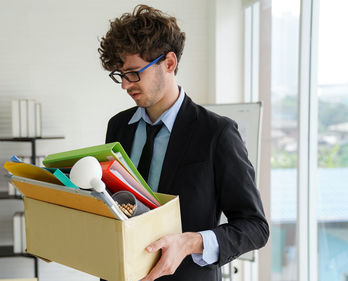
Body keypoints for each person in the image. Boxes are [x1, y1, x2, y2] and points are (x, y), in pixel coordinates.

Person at [98, 5, 269, 281]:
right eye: (120, 74)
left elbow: (255, 228)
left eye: (133, 73)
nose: (125, 85)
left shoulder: (217, 133)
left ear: (169, 63)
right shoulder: (118, 126)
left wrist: (190, 242)